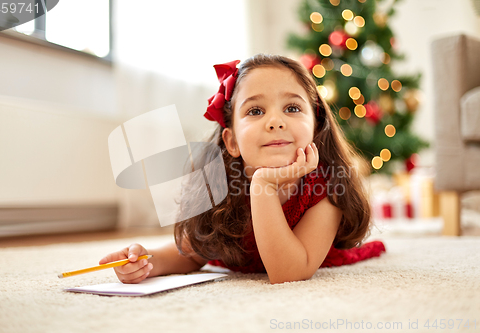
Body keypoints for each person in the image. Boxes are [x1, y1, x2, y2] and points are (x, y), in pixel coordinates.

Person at [99, 54, 386, 285]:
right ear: (232, 141)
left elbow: (288, 273)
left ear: (316, 126)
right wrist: (144, 261)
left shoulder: (325, 190)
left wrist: (263, 184)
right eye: (255, 111)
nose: (275, 122)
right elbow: (190, 254)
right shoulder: (218, 185)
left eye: (293, 108)